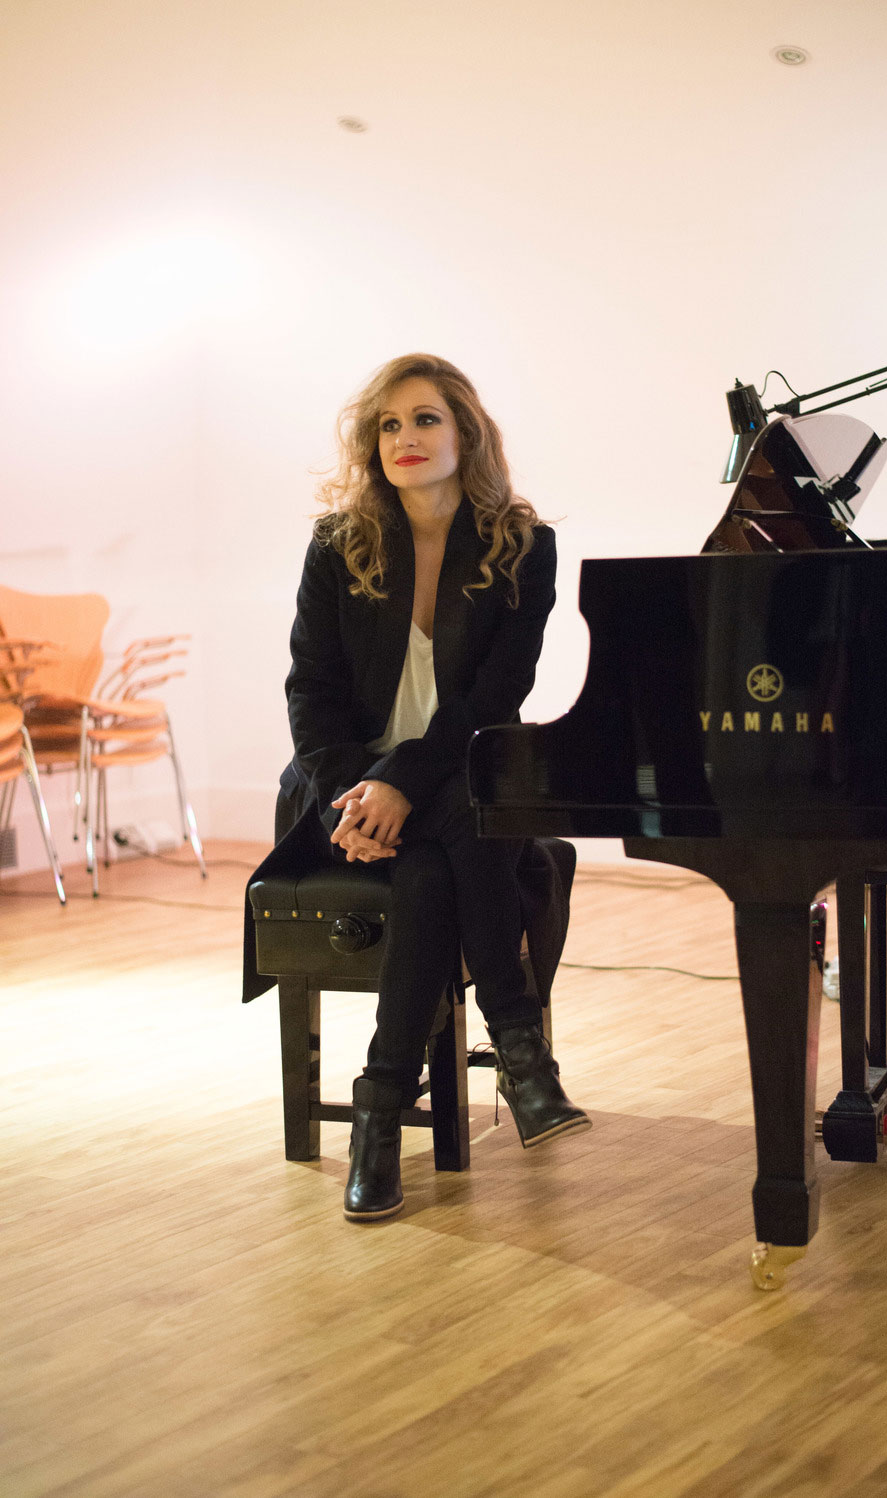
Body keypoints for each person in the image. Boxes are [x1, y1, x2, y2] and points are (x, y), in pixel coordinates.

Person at [261, 353, 590, 1222]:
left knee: (436, 862)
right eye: (389, 425)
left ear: (465, 432)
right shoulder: (339, 545)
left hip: (454, 773)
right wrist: (358, 794)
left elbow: (495, 700)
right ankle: (520, 1053)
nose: (404, 438)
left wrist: (402, 784)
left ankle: (379, 1119)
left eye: (425, 419)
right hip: (339, 789)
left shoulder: (523, 548)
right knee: (452, 847)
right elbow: (310, 693)